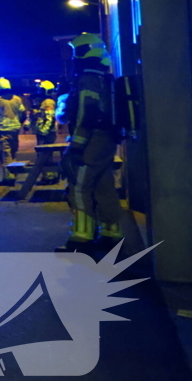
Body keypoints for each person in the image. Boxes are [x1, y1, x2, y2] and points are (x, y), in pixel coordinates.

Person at [58, 39, 124, 251]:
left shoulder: (87, 80)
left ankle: (82, 237)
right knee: (104, 186)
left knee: (79, 186)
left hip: (90, 142)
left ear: (86, 52)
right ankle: (111, 232)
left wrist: (76, 146)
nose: (74, 56)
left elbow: (86, 114)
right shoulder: (105, 78)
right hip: (106, 140)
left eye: (76, 51)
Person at [0, 77, 26, 184]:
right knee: (13, 152)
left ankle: (8, 178)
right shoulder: (17, 99)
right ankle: (14, 174)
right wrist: (20, 124)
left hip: (4, 130)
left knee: (5, 154)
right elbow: (23, 114)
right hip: (15, 129)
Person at [32, 80, 59, 183]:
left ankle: (50, 176)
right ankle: (47, 175)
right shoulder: (43, 102)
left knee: (46, 156)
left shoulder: (48, 102)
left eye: (41, 90)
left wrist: (44, 131)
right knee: (44, 155)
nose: (39, 91)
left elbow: (50, 119)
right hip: (43, 132)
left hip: (47, 133)